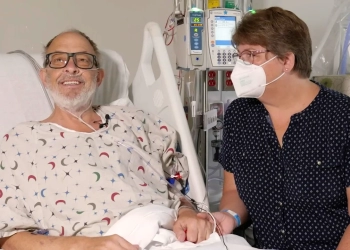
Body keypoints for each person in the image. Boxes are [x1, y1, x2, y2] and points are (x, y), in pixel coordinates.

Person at [0, 30, 213, 250]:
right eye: (59, 60)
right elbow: (8, 238)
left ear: (98, 77)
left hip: (172, 235)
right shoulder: (20, 142)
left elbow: (178, 186)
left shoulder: (136, 121)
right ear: (44, 77)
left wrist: (187, 213)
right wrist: (85, 245)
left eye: (82, 60)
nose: (71, 68)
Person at [210, 6, 350, 250]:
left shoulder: (341, 117)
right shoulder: (241, 116)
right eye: (240, 56)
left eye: (252, 55)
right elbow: (233, 190)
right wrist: (229, 216)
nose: (242, 65)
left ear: (286, 60)